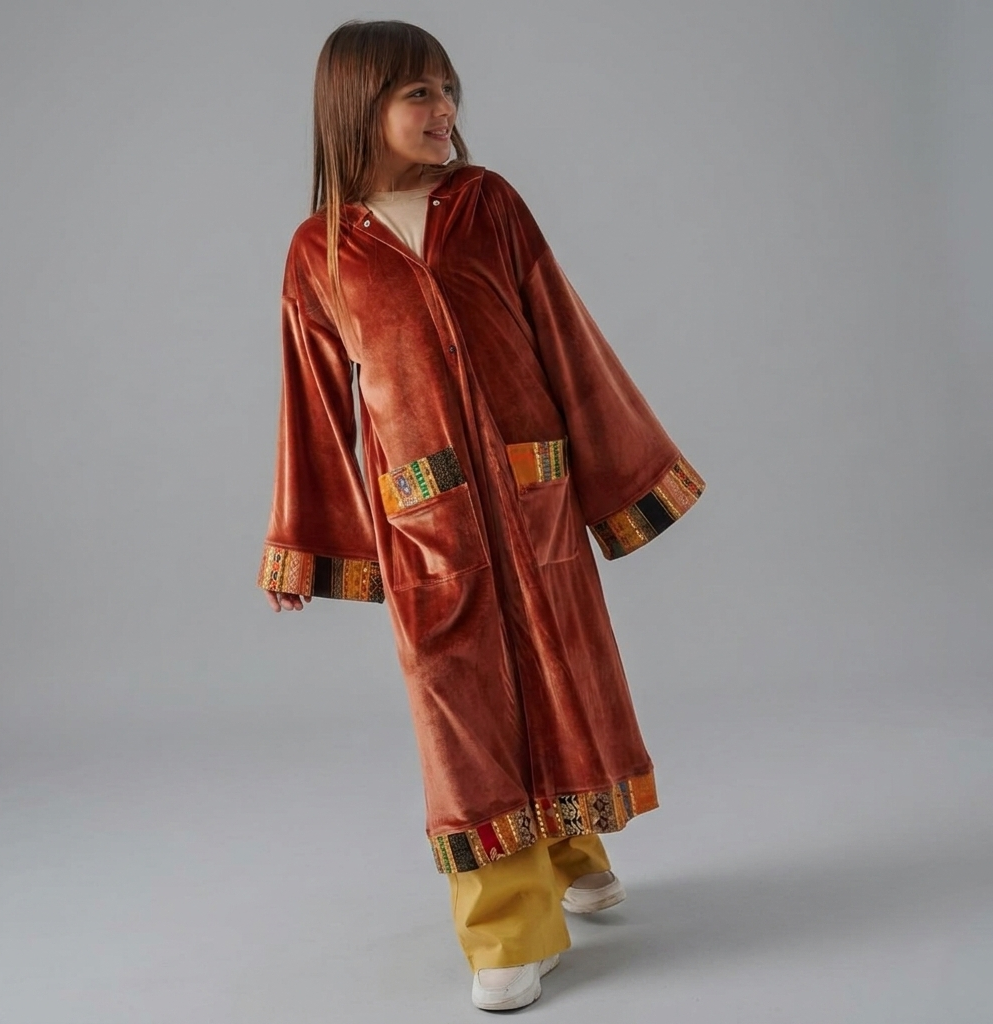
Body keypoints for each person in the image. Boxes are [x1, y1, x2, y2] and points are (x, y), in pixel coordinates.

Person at [257, 18, 705, 1012]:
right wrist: (305, 541)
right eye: (418, 93)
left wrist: (622, 478)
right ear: (358, 105)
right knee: (461, 714)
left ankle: (572, 848)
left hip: (532, 494)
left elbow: (562, 333)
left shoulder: (488, 203)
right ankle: (507, 928)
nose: (445, 109)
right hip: (429, 525)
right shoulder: (320, 251)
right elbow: (314, 408)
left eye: (448, 89)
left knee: (557, 674)